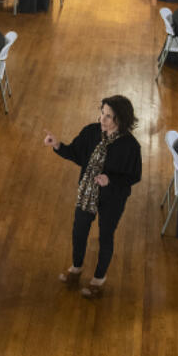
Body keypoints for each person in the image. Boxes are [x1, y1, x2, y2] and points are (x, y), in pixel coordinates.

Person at [42, 96, 142, 299]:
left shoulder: (131, 146)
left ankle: (98, 279)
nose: (102, 119)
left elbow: (134, 176)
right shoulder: (91, 132)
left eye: (108, 116)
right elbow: (77, 154)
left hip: (112, 198)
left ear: (120, 120)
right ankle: (76, 268)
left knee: (106, 237)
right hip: (87, 194)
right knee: (79, 231)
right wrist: (58, 145)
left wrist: (110, 180)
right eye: (102, 113)